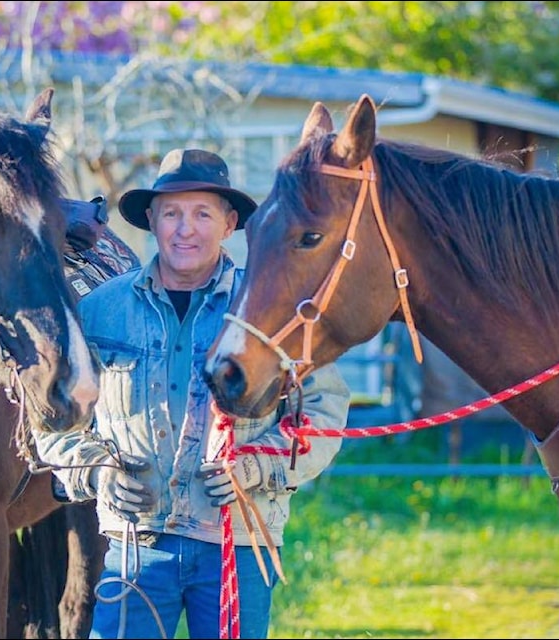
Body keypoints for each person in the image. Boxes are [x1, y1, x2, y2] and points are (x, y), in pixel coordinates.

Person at [34, 148, 351, 639]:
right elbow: (54, 417)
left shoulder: (266, 310)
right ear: (152, 223)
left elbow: (324, 410)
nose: (186, 229)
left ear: (228, 224)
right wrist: (95, 472)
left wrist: (259, 466)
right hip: (136, 546)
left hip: (237, 545)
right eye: (172, 214)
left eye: (202, 213)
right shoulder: (100, 312)